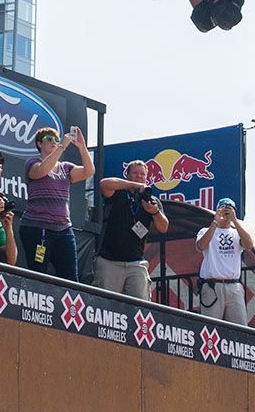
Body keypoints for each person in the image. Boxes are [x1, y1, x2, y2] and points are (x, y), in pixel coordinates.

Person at [19, 125, 94, 282]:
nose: (54, 142)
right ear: (39, 144)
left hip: (63, 229)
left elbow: (88, 171)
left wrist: (82, 147)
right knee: (38, 275)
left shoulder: (66, 168)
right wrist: (61, 146)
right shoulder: (32, 163)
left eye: (56, 139)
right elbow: (41, 171)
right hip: (37, 228)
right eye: (49, 139)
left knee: (71, 279)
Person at [94, 159, 169, 300]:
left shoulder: (152, 201)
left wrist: (154, 212)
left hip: (136, 263)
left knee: (142, 307)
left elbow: (163, 227)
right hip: (110, 261)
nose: (139, 177)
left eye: (142, 174)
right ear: (127, 175)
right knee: (105, 305)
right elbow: (104, 184)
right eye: (135, 173)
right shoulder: (119, 193)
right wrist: (134, 185)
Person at [195, 197, 254, 325]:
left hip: (234, 286)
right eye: (223, 209)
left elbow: (249, 244)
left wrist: (235, 221)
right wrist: (215, 222)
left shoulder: (236, 233)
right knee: (211, 328)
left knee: (241, 328)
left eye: (229, 210)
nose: (226, 213)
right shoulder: (205, 231)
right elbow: (201, 246)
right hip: (212, 286)